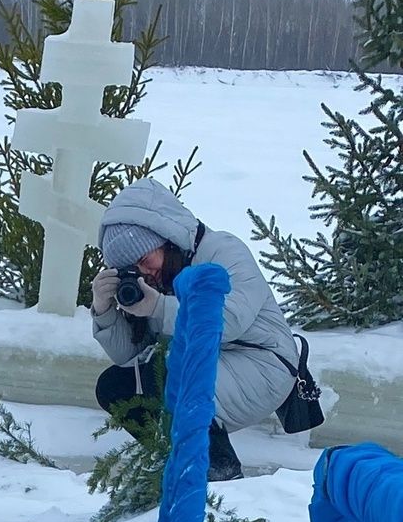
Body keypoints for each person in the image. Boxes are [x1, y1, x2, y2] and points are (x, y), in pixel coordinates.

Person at [90, 178, 302, 483]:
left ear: (165, 238)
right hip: (210, 363)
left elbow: (230, 319)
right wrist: (104, 310)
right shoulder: (154, 282)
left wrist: (159, 309)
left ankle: (220, 473)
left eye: (144, 258)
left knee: (175, 378)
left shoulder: (222, 250)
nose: (145, 272)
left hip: (264, 363)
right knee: (115, 386)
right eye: (133, 269)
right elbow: (131, 357)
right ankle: (176, 464)